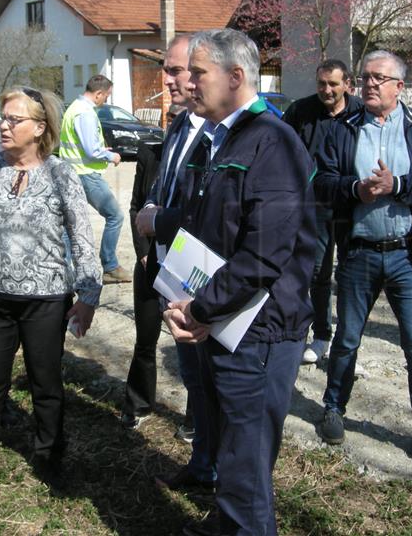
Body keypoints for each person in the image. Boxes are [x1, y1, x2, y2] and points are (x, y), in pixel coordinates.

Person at [164, 29, 315, 536]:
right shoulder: (224, 137)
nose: (189, 82)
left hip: (260, 331)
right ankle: (228, 525)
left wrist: (201, 310)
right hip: (228, 322)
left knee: (247, 465)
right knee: (233, 453)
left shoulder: (272, 141)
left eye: (199, 73)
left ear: (235, 77)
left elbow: (263, 255)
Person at [0, 87, 102, 501]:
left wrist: (89, 294)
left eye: (14, 119)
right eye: (2, 117)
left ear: (39, 128)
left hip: (46, 301)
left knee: (46, 383)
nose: (3, 124)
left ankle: (50, 457)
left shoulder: (61, 174)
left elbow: (82, 237)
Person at [315, 50, 412, 471]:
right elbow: (320, 180)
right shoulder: (345, 128)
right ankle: (333, 407)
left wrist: (399, 184)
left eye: (379, 78)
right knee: (347, 339)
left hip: (405, 257)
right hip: (358, 254)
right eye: (366, 77)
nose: (369, 84)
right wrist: (356, 188)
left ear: (399, 86)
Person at [126, 34, 216, 493]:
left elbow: (210, 215)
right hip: (173, 273)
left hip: (207, 281)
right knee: (193, 379)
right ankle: (201, 466)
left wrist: (158, 220)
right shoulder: (178, 127)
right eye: (168, 69)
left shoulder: (221, 133)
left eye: (177, 70)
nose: (168, 79)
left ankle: (222, 478)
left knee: (215, 384)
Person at [282, 59, 363, 364]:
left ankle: (349, 338)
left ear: (347, 85)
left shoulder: (360, 113)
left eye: (333, 84)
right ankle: (321, 335)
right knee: (316, 273)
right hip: (313, 207)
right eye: (321, 83)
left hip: (352, 204)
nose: (326, 90)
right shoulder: (301, 112)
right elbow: (281, 149)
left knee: (352, 273)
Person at [59, 75, 131, 284]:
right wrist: (111, 155)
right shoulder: (85, 113)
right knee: (115, 216)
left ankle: (66, 270)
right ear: (98, 93)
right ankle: (109, 265)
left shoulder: (74, 108)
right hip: (85, 173)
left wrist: (100, 149)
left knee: (69, 224)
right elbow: (91, 151)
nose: (105, 100)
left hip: (73, 172)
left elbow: (83, 144)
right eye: (106, 96)